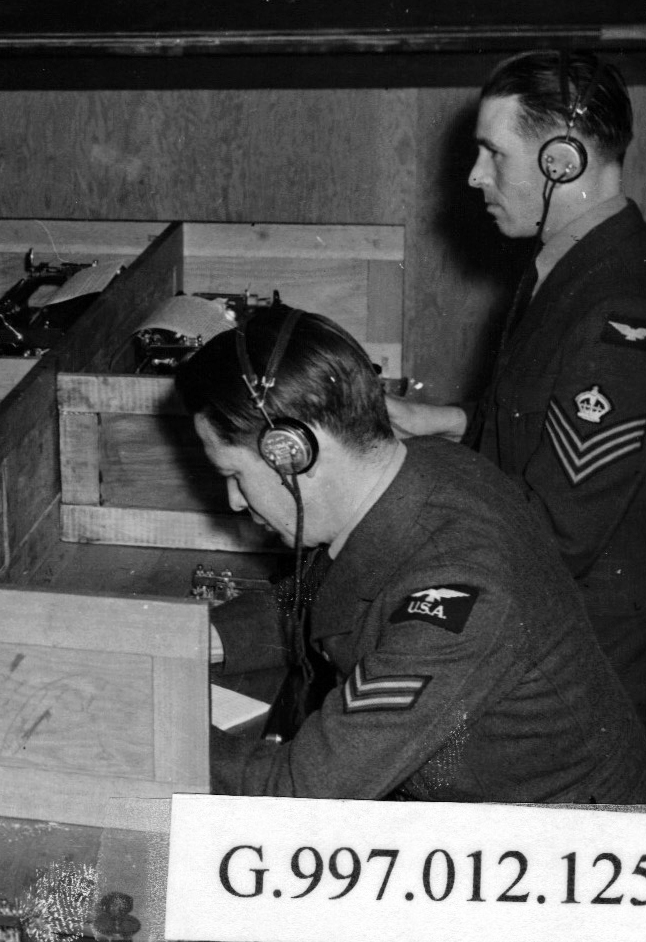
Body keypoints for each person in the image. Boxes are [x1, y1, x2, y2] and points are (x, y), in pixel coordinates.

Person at [176, 304, 646, 802]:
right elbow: (322, 593)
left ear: (293, 453)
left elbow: (301, 790)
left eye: (233, 474)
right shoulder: (422, 472)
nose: (232, 500)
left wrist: (143, 725)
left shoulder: (463, 589)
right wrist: (199, 638)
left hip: (558, 849)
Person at [388, 50, 646, 720]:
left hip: (586, 681)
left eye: (493, 153)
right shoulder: (572, 267)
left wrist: (387, 497)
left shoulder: (615, 312)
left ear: (563, 161)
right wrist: (443, 422)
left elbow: (557, 534)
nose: (474, 176)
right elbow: (539, 428)